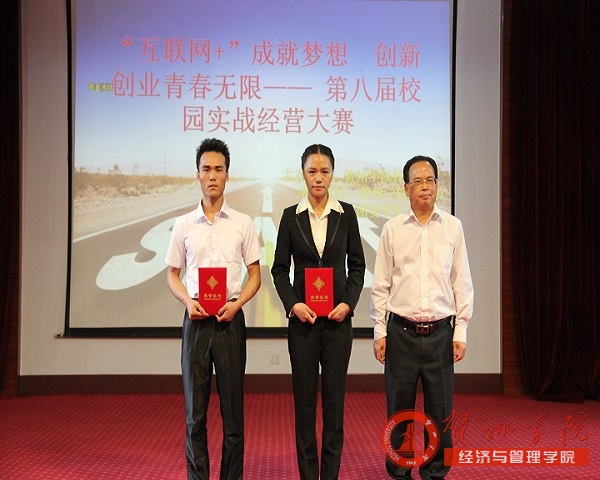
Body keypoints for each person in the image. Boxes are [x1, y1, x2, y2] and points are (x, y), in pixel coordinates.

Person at [370, 155, 474, 480]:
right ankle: (399, 473)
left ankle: (435, 473)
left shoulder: (453, 227)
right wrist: (379, 331)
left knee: (440, 414)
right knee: (399, 412)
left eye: (430, 180)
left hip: (441, 335)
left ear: (438, 185)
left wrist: (461, 332)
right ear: (406, 188)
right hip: (400, 333)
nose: (425, 186)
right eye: (417, 181)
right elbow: (380, 285)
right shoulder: (392, 230)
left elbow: (462, 282)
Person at [165, 138, 262, 480]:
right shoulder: (184, 224)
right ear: (197, 175)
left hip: (230, 323)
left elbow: (255, 275)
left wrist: (238, 303)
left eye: (218, 169)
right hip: (196, 323)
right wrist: (187, 301)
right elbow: (172, 274)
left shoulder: (242, 223)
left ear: (227, 175)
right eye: (206, 169)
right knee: (195, 416)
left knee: (233, 415)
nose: (212, 176)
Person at [271, 144, 366, 480]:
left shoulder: (346, 214)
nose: (318, 178)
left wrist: (349, 303)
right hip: (304, 325)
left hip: (338, 324)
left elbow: (357, 266)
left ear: (332, 174)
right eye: (312, 171)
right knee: (305, 405)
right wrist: (293, 304)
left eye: (324, 171)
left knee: (335, 405)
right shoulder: (290, 216)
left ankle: (330, 474)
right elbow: (279, 269)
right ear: (303, 174)